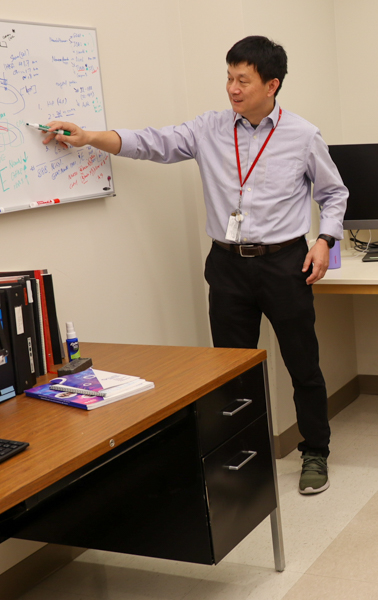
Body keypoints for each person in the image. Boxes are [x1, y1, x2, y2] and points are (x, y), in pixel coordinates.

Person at [41, 36, 348, 495]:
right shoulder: (209, 128)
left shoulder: (302, 135)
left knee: (303, 364)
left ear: (272, 85)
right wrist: (89, 137)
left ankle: (316, 452)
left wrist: (325, 240)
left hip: (285, 263)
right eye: (228, 77)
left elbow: (334, 193)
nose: (232, 88)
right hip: (226, 266)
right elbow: (151, 143)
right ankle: (243, 453)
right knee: (229, 369)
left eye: (243, 80)